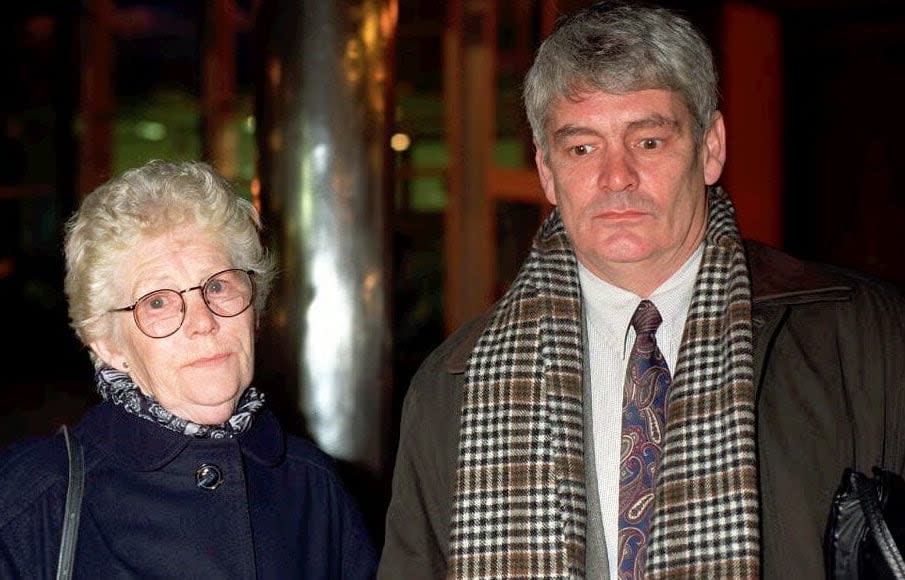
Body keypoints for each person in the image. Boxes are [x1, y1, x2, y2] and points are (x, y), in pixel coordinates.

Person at [378, 1, 905, 578]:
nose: (616, 177)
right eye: (583, 148)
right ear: (547, 171)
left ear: (710, 148)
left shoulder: (868, 340)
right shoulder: (449, 388)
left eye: (648, 141)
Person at [0, 160, 378, 578]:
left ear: (254, 308)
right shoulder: (31, 503)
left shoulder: (313, 487)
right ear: (107, 343)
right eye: (158, 302)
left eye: (218, 286)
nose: (203, 322)